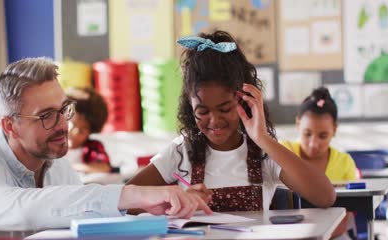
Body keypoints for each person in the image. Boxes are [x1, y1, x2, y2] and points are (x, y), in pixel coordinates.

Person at [0, 57, 212, 240]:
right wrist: (134, 194)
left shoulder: (56, 165)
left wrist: (156, 206)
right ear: (10, 126)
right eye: (47, 116)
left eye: (63, 110)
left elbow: (86, 215)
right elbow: (24, 207)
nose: (63, 125)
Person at [127, 30, 335, 213]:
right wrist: (173, 198)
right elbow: (125, 201)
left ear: (245, 100)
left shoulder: (263, 153)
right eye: (202, 111)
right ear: (190, 110)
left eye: (225, 109)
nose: (214, 120)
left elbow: (325, 196)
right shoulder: (181, 153)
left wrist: (262, 138)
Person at [281, 87, 358, 240]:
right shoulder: (284, 151)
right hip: (287, 233)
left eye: (323, 136)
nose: (313, 143)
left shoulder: (344, 162)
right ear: (298, 124)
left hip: (332, 236)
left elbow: (346, 218)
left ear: (334, 130)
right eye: (307, 134)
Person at [66, 88, 111, 173]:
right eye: (72, 124)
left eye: (82, 131)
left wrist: (72, 167)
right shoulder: (52, 144)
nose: (75, 133)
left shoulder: (92, 147)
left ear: (91, 132)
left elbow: (104, 167)